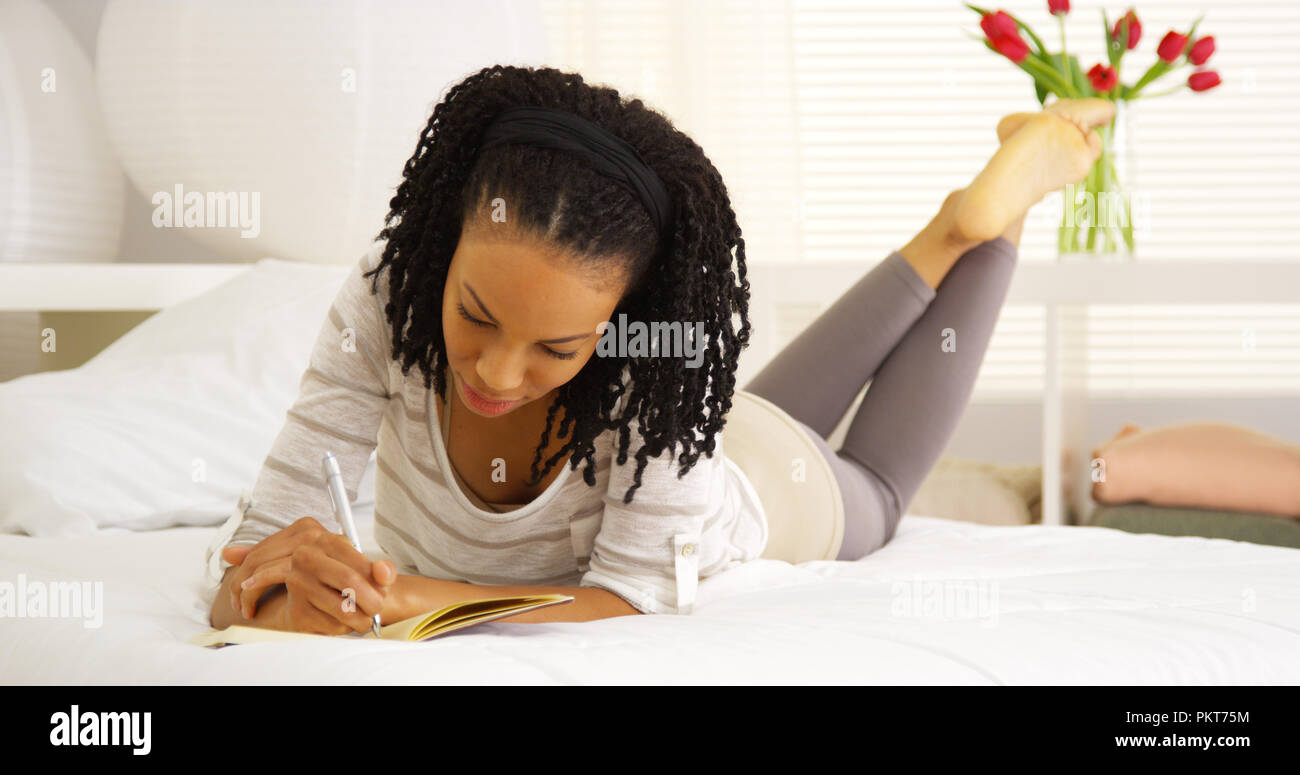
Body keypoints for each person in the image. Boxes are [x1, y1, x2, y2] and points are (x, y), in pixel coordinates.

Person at [206, 64, 1114, 634]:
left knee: (873, 491)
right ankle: (953, 225)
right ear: (443, 248)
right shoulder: (390, 288)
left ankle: (992, 225)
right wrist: (285, 596)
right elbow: (248, 564)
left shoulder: (654, 364)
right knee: (765, 416)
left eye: (555, 347)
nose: (495, 372)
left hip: (770, 492)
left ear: (627, 322)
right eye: (476, 316)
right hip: (711, 437)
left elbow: (632, 597)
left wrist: (415, 595)